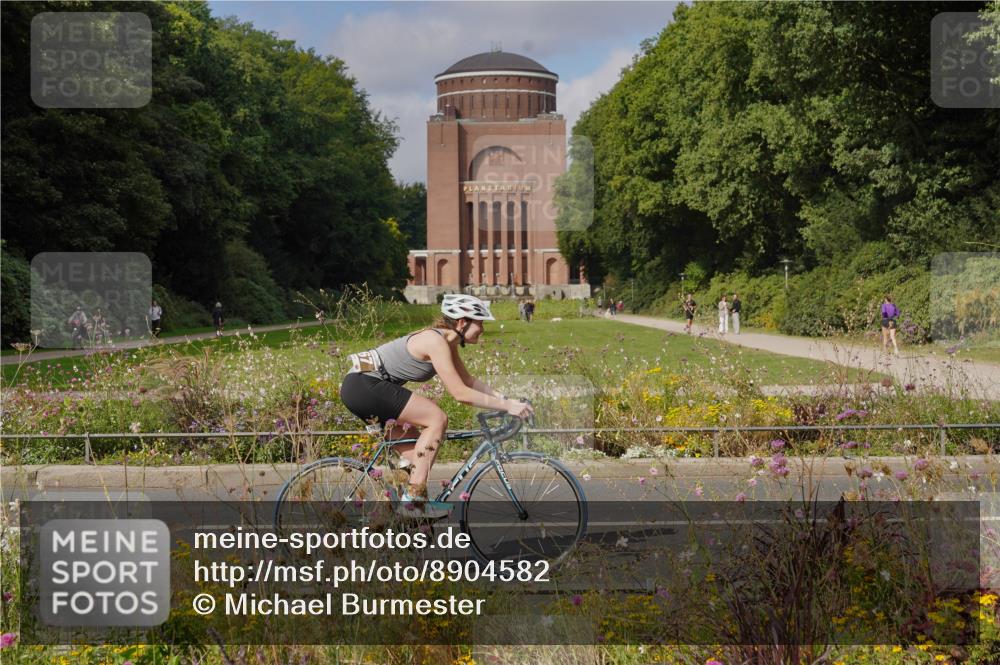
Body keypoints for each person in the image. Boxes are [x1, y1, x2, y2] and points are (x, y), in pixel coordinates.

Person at [340, 294, 534, 518]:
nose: (482, 329)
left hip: (363, 388)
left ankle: (400, 524)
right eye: (479, 322)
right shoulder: (436, 341)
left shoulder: (446, 342)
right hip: (364, 385)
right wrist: (506, 406)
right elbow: (460, 393)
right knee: (436, 419)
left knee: (415, 460)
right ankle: (414, 503)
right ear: (462, 322)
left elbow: (469, 381)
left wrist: (508, 400)